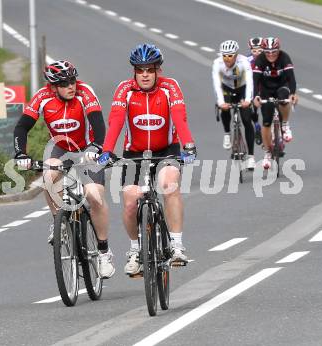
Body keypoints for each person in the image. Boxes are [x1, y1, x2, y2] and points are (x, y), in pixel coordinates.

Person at [98, 44, 197, 275]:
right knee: (131, 200)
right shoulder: (124, 89)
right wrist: (106, 151)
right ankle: (134, 249)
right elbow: (116, 121)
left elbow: (180, 118)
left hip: (166, 150)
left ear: (157, 71)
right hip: (135, 154)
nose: (144, 75)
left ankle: (176, 245)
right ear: (134, 71)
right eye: (140, 70)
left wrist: (189, 145)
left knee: (169, 185)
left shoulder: (170, 87)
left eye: (149, 70)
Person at [13, 59, 115, 279]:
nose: (71, 86)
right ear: (52, 86)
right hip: (60, 149)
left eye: (72, 80)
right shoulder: (42, 97)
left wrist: (96, 146)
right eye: (64, 83)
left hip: (87, 149)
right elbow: (22, 126)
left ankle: (104, 252)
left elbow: (98, 122)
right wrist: (20, 153)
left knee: (94, 196)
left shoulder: (85, 92)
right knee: (49, 177)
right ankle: (58, 221)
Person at [252, 37, 298, 169]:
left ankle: (285, 124)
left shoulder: (284, 57)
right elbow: (255, 80)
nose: (271, 55)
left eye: (274, 52)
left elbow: (291, 78)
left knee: (284, 97)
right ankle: (267, 153)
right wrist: (255, 96)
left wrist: (293, 93)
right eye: (268, 52)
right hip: (266, 90)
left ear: (279, 50)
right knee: (266, 122)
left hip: (281, 86)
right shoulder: (260, 59)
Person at [212, 40, 255, 169]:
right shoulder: (217, 63)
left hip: (242, 89)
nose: (227, 59)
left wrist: (248, 100)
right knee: (224, 108)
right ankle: (227, 133)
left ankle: (251, 157)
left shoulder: (244, 62)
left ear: (236, 55)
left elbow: (250, 82)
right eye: (224, 55)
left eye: (230, 55)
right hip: (227, 89)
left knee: (247, 120)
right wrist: (221, 102)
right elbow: (217, 85)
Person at [247, 37, 263, 145]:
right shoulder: (246, 60)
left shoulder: (268, 59)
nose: (257, 53)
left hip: (265, 86)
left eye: (260, 50)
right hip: (253, 87)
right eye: (254, 51)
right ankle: (256, 124)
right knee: (252, 108)